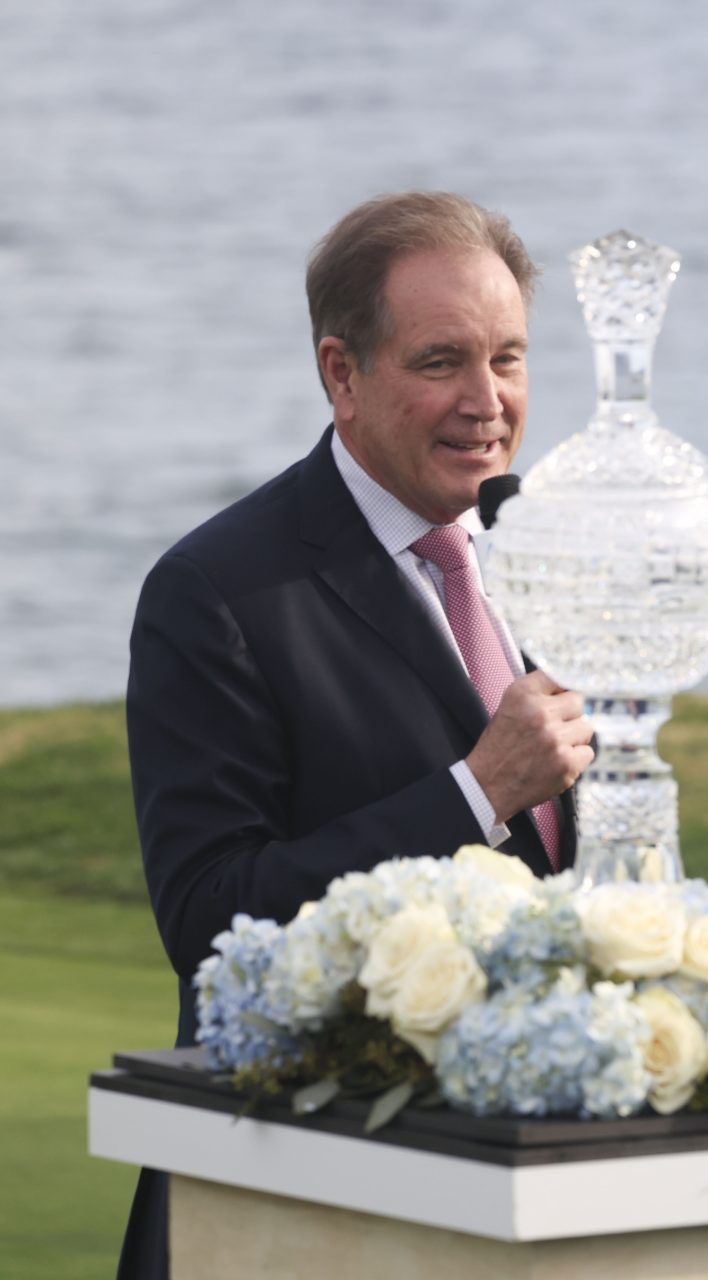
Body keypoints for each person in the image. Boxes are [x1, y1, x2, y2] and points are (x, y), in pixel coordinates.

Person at [116, 191, 595, 1280]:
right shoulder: (217, 592)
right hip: (295, 1208)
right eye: (442, 362)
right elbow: (209, 918)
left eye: (509, 358)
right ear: (341, 372)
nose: (489, 402)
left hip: (532, 1203)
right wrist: (474, 794)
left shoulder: (546, 556)